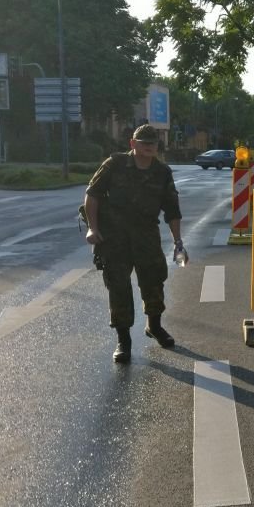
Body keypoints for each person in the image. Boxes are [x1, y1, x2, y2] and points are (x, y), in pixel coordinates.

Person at [84, 124, 186, 363]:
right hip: (115, 238)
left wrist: (178, 242)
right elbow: (92, 194)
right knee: (118, 287)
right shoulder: (114, 165)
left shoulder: (162, 172)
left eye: (153, 143)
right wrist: (92, 227)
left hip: (146, 235)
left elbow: (172, 209)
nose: (149, 146)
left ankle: (154, 325)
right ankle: (124, 340)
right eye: (144, 142)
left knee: (154, 282)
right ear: (133, 144)